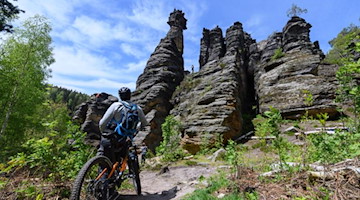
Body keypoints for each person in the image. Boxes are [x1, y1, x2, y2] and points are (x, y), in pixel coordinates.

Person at [97, 87, 148, 164]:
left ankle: (103, 173)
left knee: (104, 161)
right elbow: (144, 123)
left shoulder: (116, 105)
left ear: (120, 96)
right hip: (126, 139)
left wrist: (103, 132)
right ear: (130, 95)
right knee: (125, 157)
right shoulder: (137, 108)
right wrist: (136, 129)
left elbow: (102, 123)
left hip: (112, 137)